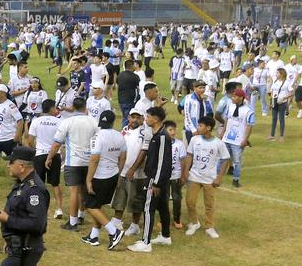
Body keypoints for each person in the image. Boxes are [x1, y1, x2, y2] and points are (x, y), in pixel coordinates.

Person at [46, 96, 97, 233]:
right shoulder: (93, 122)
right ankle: (81, 215)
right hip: (89, 161)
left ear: (73, 108)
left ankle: (73, 222)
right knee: (84, 190)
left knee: (74, 191)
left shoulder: (68, 122)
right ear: (85, 107)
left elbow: (57, 143)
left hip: (73, 161)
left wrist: (49, 157)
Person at [127, 106, 174, 253]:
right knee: (163, 207)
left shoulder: (161, 136)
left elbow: (162, 162)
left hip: (155, 179)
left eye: (148, 117)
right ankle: (165, 236)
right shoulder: (158, 135)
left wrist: (156, 183)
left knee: (148, 209)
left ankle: (145, 242)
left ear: (156, 119)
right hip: (160, 179)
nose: (145, 119)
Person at [83, 110, 127, 249]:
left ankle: (114, 232)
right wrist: (119, 173)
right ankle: (94, 235)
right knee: (98, 205)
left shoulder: (97, 136)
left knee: (90, 206)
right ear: (113, 122)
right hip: (113, 174)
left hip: (99, 176)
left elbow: (94, 159)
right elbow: (123, 157)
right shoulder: (120, 136)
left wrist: (89, 180)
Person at [184, 116, 231, 238]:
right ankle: (194, 223)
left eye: (200, 126)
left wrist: (219, 177)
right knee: (190, 201)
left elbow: (226, 159)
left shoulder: (218, 143)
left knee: (209, 204)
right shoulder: (194, 140)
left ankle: (209, 227)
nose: (198, 128)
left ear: (208, 128)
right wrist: (186, 171)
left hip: (209, 179)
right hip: (194, 176)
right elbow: (189, 155)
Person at [26, 99, 63, 218]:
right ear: (51, 108)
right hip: (54, 155)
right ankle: (59, 209)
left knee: (38, 183)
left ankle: (38, 207)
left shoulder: (36, 121)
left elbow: (30, 140)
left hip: (40, 155)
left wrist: (35, 149)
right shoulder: (59, 122)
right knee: (55, 183)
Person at [222, 88, 254, 187]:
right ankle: (216, 177)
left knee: (237, 161)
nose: (232, 98)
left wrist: (245, 139)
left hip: (238, 140)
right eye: (232, 96)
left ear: (241, 98)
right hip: (227, 138)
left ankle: (236, 179)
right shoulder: (230, 106)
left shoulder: (248, 111)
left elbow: (250, 125)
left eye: (235, 96)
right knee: (222, 158)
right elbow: (227, 119)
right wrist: (223, 132)